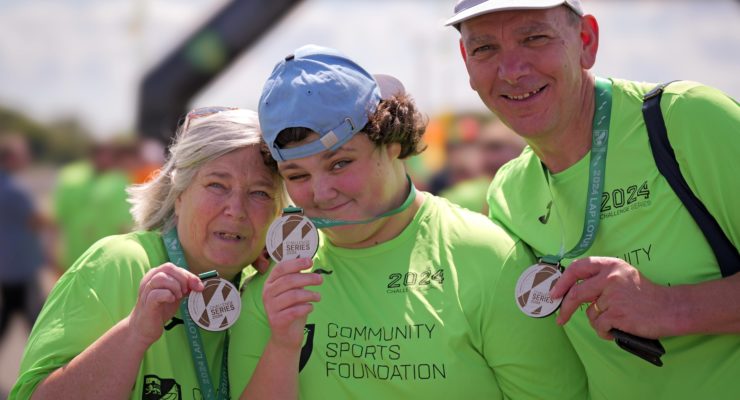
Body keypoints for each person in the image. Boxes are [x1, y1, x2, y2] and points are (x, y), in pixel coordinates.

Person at [229, 44, 587, 399]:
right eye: (297, 175)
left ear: (393, 142)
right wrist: (282, 344)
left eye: (340, 164)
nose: (321, 193)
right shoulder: (276, 285)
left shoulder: (489, 257)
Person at [446, 0, 740, 398]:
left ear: (586, 40)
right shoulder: (508, 193)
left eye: (534, 38)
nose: (512, 71)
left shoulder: (685, 120)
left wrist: (671, 307)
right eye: (485, 49)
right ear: (467, 62)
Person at [10, 108, 285, 399]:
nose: (237, 210)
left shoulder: (268, 289)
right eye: (217, 185)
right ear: (179, 194)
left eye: (259, 193)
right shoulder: (119, 265)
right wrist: (134, 333)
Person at [0, 134, 46, 343]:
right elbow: (36, 221)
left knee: (10, 311)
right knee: (39, 322)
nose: (26, 159)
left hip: (6, 264)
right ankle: (47, 369)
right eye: (21, 155)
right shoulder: (15, 190)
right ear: (9, 159)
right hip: (21, 265)